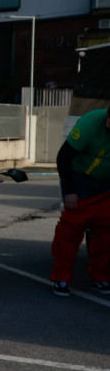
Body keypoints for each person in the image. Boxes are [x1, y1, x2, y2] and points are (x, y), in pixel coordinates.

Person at [49, 107, 110, 297]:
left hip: (106, 183)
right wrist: (70, 191)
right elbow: (64, 157)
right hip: (80, 179)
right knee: (70, 231)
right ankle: (62, 277)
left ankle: (100, 276)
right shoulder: (91, 123)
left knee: (106, 234)